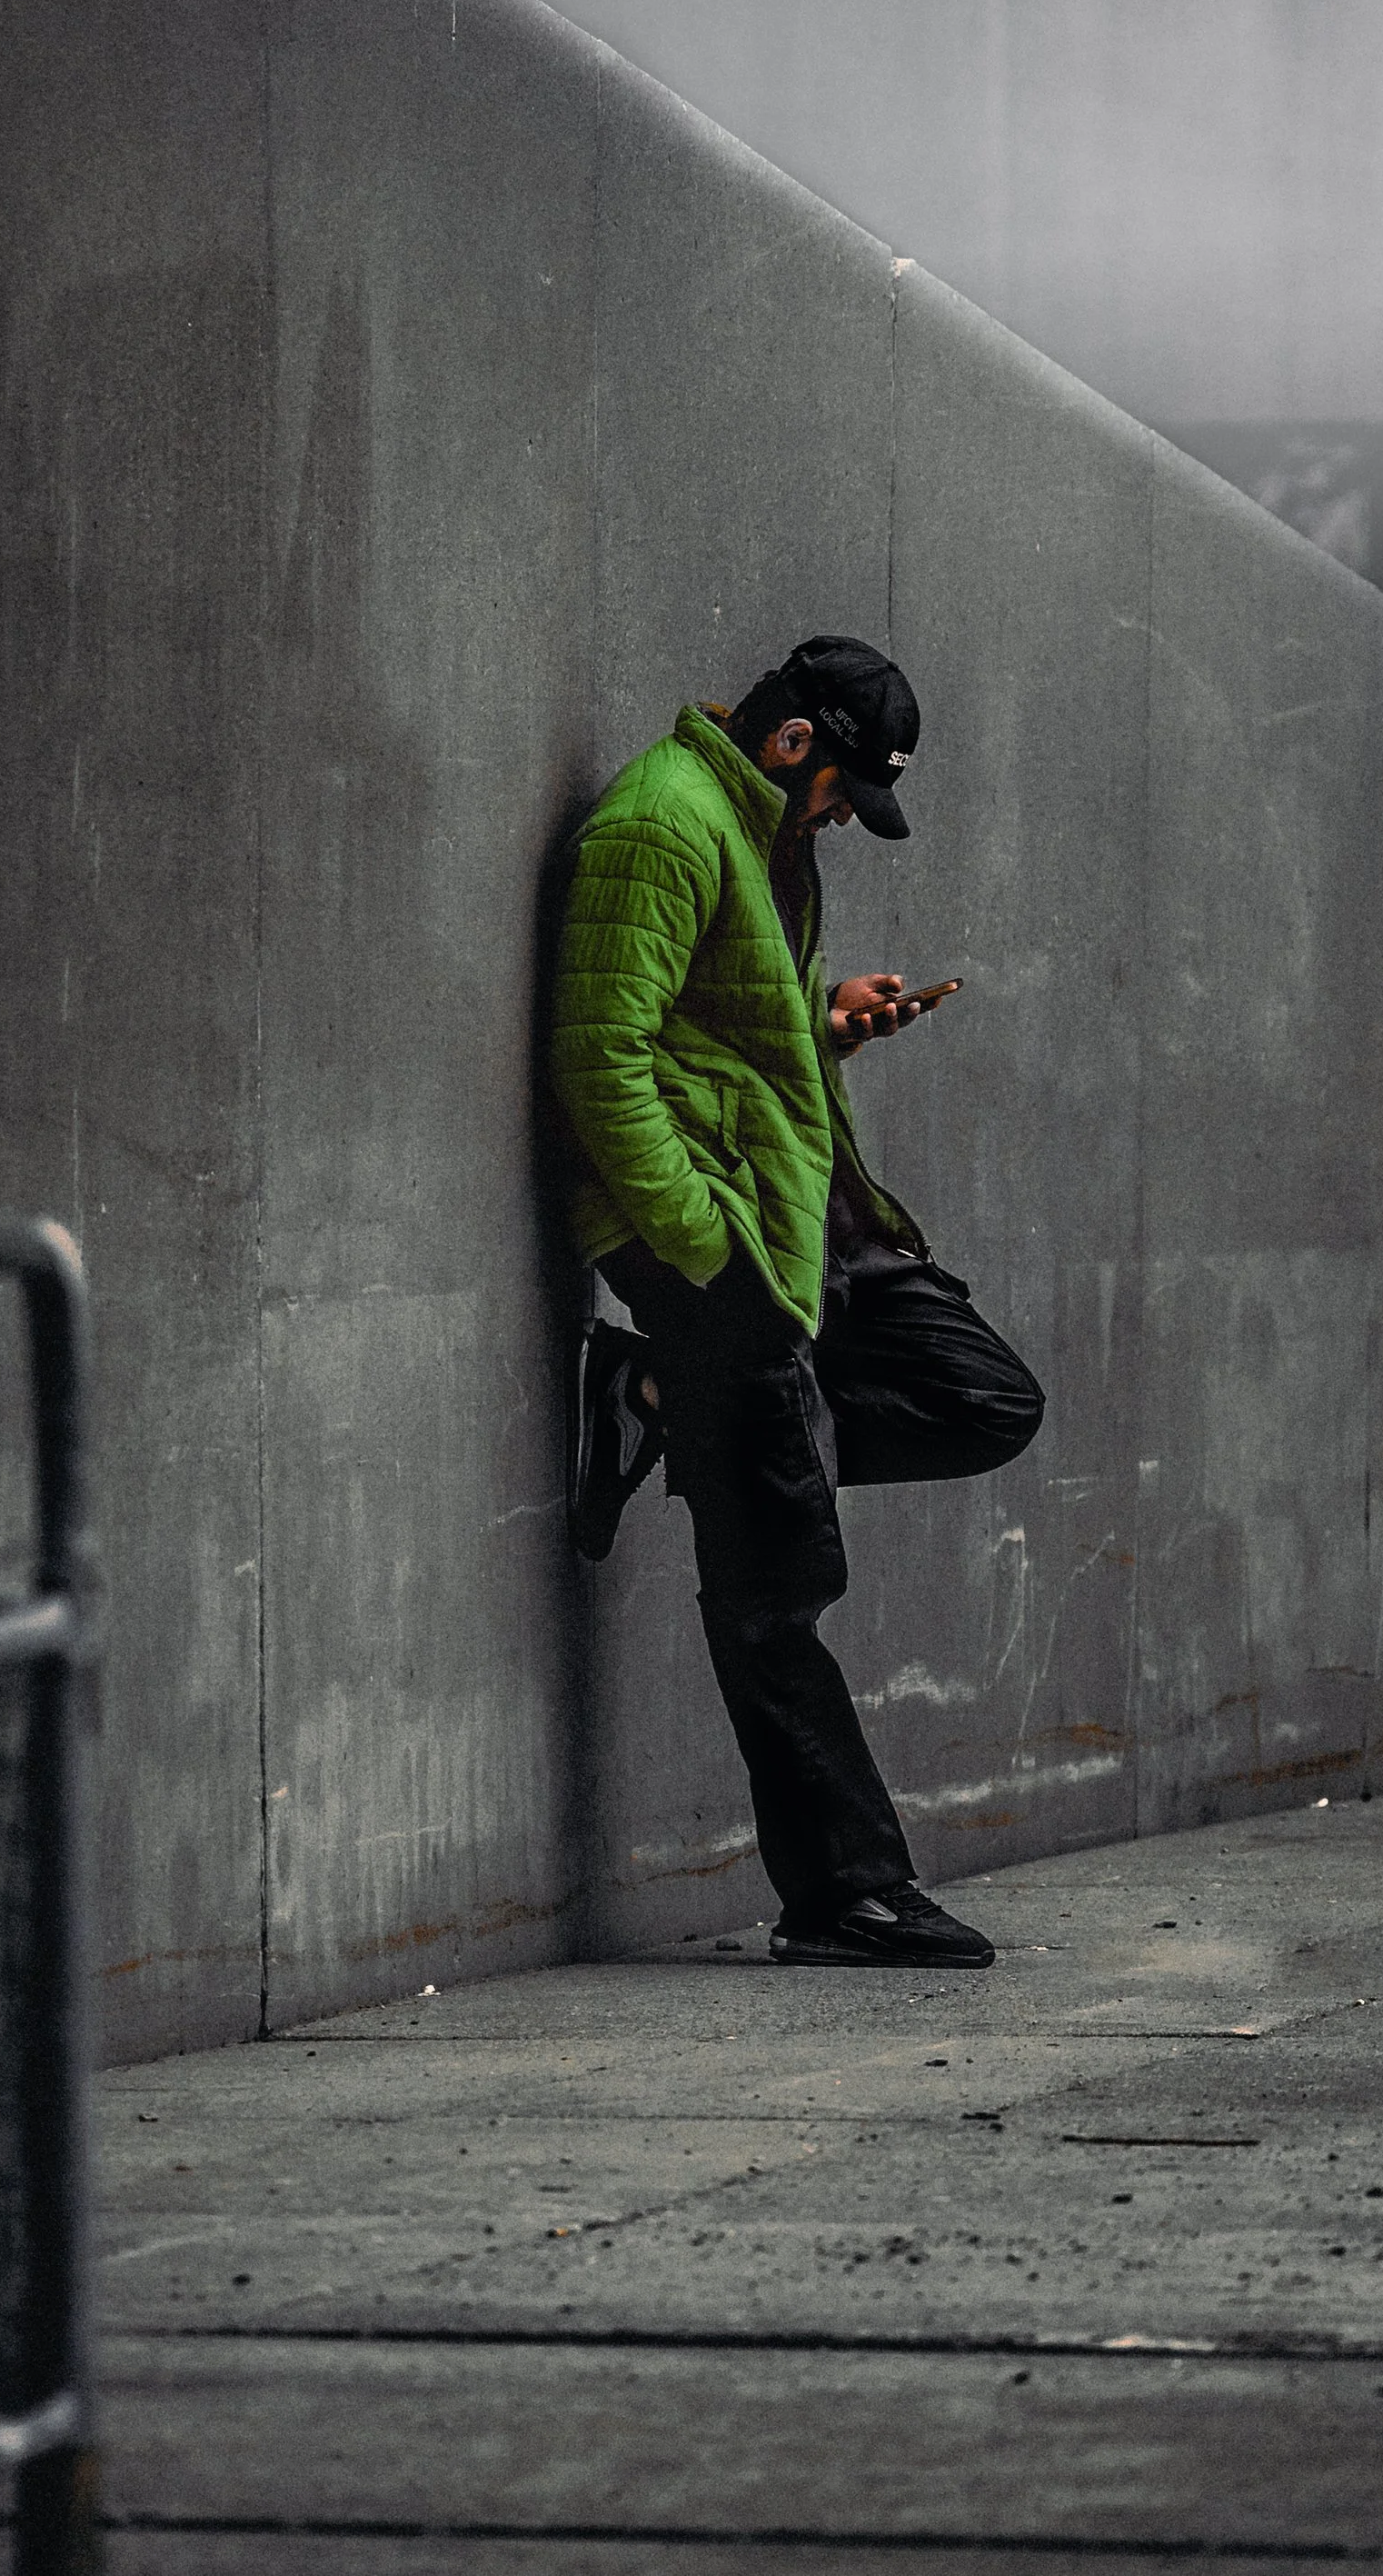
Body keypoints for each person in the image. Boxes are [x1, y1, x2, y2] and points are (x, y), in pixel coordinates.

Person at [551, 636, 1042, 1969]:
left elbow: (705, 1028)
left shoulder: (754, 835)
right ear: (789, 746)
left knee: (986, 1398)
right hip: (721, 1246)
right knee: (779, 1582)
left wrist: (823, 1025)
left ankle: (657, 1395)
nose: (837, 816)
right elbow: (601, 1058)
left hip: (795, 1211)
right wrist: (702, 1254)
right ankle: (845, 1893)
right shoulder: (662, 824)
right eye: (838, 793)